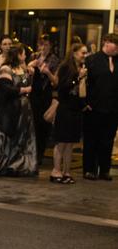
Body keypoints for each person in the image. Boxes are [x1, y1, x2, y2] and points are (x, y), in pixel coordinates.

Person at [0, 43, 38, 177]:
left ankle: (15, 166)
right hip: (9, 110)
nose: (25, 56)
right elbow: (6, 89)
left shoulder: (23, 69)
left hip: (23, 111)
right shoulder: (6, 68)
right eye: (23, 53)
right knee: (3, 137)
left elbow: (29, 83)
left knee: (21, 139)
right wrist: (24, 90)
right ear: (18, 55)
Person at [82, 32, 118, 181]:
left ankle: (104, 170)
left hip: (113, 109)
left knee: (108, 140)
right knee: (91, 140)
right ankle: (89, 169)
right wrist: (86, 103)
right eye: (116, 45)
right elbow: (84, 83)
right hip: (93, 108)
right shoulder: (91, 60)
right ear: (106, 43)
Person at [50, 43, 88, 184]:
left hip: (76, 109)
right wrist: (78, 77)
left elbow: (81, 92)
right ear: (74, 53)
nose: (85, 55)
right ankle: (55, 170)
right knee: (61, 142)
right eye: (82, 53)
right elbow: (63, 88)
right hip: (65, 108)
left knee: (70, 143)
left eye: (86, 53)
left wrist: (84, 105)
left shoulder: (82, 69)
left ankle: (66, 171)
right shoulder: (66, 67)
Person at [27, 34, 59, 166]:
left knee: (43, 125)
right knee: (32, 124)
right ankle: (31, 153)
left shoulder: (54, 59)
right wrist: (30, 67)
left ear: (50, 46)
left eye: (46, 45)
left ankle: (40, 154)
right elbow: (25, 73)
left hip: (45, 94)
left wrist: (47, 72)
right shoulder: (33, 57)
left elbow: (56, 82)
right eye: (41, 44)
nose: (43, 48)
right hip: (33, 93)